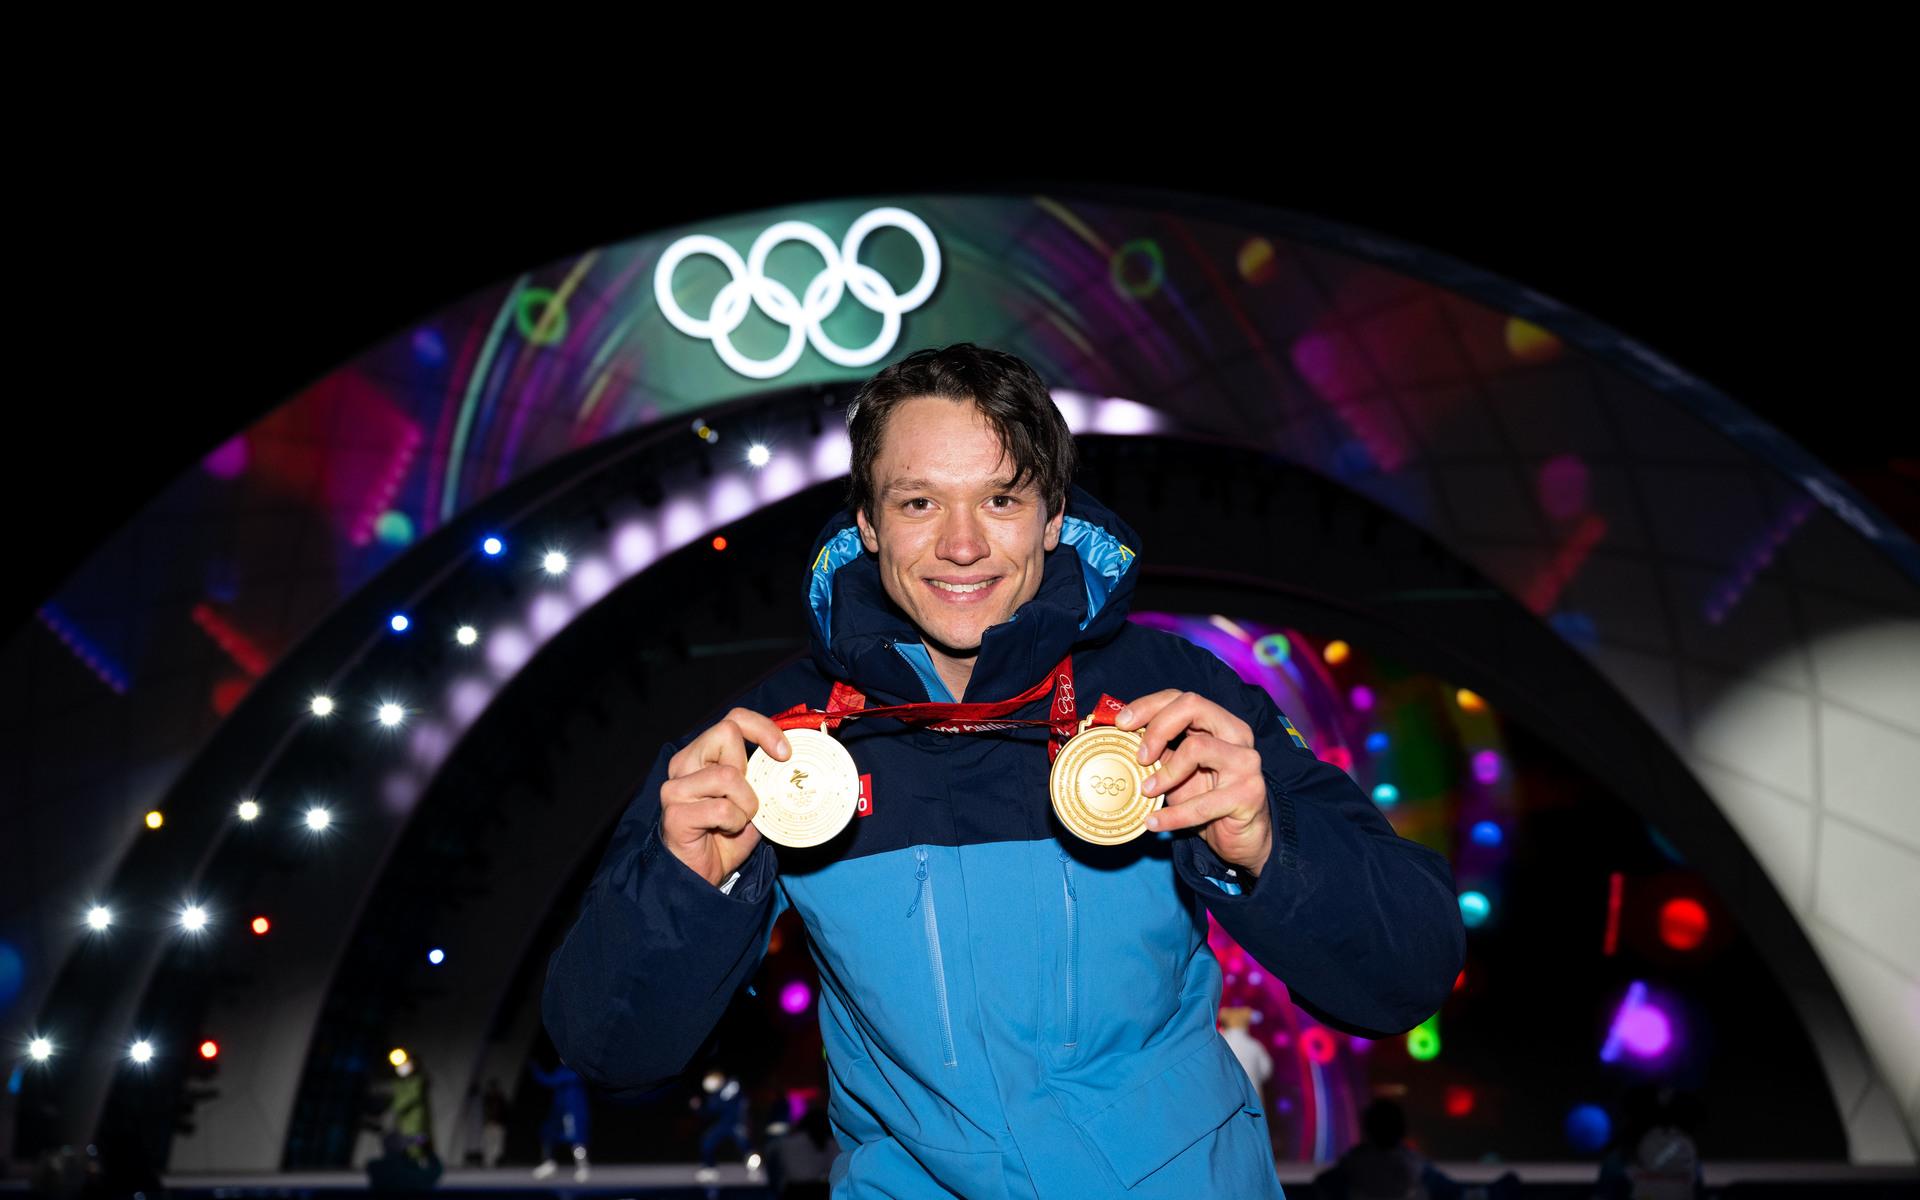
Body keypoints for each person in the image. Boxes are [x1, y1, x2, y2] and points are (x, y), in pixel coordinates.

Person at [543, 343, 1466, 1196]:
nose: (962, 545)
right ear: (866, 522)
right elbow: (612, 1049)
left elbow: (1408, 973)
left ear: (1054, 516)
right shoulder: (775, 740)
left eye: (1001, 498)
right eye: (918, 503)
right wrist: (682, 891)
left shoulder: (1175, 699)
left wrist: (1272, 851)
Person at [528, 1059, 590, 1182]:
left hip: (572, 1112)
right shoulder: (561, 1070)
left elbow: (551, 1080)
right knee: (547, 1135)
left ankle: (582, 1167)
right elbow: (549, 1080)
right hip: (558, 1112)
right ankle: (548, 1164)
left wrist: (536, 1070)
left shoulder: (576, 1071)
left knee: (575, 1140)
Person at [1220, 1004, 1274, 1099]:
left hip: (1225, 1101)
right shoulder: (1255, 1045)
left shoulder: (1219, 1044)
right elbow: (1266, 1071)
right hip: (1252, 1100)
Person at [480, 1077, 509, 1169]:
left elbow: (504, 1111)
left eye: (494, 1087)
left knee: (497, 1144)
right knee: (488, 1142)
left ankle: (493, 1160)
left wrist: (502, 1123)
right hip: (489, 1123)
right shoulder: (486, 1099)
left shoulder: (501, 1098)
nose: (493, 1089)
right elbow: (484, 1111)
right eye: (492, 1087)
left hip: (498, 1124)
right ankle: (488, 1161)